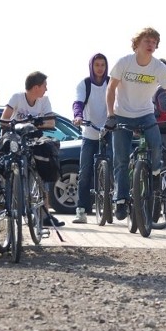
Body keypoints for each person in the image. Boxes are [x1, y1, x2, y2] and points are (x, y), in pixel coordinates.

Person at [106, 27, 166, 221]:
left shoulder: (158, 67)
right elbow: (111, 88)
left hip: (146, 114)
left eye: (154, 42)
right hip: (122, 114)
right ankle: (121, 200)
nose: (151, 45)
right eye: (147, 41)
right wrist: (111, 115)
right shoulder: (124, 63)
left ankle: (155, 174)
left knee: (157, 145)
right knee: (121, 161)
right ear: (137, 43)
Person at [1, 71, 64, 226]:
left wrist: (32, 125)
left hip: (34, 138)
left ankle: (45, 214)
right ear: (36, 87)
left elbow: (51, 123)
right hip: (16, 137)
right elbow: (4, 120)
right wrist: (20, 125)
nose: (46, 89)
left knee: (45, 164)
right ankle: (9, 203)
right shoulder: (17, 98)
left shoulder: (45, 101)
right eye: (44, 86)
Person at [71, 53, 110, 224]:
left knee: (114, 167)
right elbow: (78, 103)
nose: (100, 68)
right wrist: (78, 116)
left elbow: (119, 102)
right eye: (97, 65)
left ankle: (113, 205)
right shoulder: (85, 84)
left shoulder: (111, 82)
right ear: (92, 67)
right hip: (89, 133)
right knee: (84, 172)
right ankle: (81, 210)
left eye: (102, 65)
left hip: (109, 131)